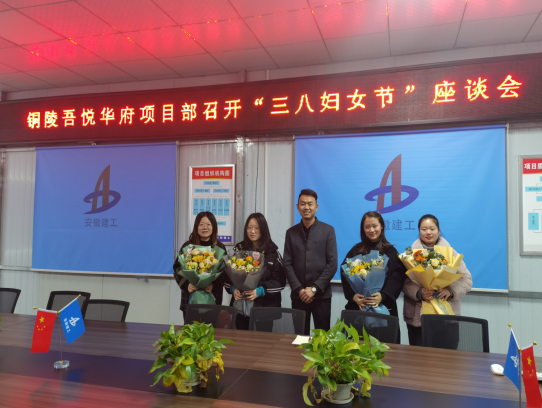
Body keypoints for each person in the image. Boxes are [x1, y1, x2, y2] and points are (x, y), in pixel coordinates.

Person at [402, 214, 473, 347]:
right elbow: (403, 282)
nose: (428, 232)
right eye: (424, 229)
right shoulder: (410, 255)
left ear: (439, 231)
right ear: (419, 231)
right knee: (419, 356)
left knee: (447, 356)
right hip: (418, 316)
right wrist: (418, 292)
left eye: (432, 229)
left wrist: (450, 291)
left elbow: (466, 279)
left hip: (446, 315)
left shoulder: (451, 253)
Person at [340, 211, 407, 343]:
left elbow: (397, 278)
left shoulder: (391, 251)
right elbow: (345, 273)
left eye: (375, 226)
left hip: (383, 309)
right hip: (359, 307)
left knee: (385, 349)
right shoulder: (355, 250)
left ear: (381, 226)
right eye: (367, 227)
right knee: (356, 348)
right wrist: (353, 296)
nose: (371, 230)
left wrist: (383, 295)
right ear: (363, 228)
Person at [283, 189, 338, 335]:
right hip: (298, 296)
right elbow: (287, 263)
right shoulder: (291, 232)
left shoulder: (328, 230)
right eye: (303, 204)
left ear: (316, 207)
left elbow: (332, 264)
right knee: (300, 337)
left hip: (321, 295)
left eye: (310, 204)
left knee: (323, 338)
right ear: (297, 207)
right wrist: (300, 290)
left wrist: (314, 289)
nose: (306, 207)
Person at [224, 213, 286, 330]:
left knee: (263, 340)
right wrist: (233, 289)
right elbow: (227, 277)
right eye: (249, 227)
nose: (252, 231)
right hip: (241, 308)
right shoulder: (239, 250)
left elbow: (280, 281)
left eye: (257, 228)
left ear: (263, 229)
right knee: (242, 340)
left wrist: (260, 291)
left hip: (265, 310)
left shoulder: (272, 252)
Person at [173, 212, 227, 320]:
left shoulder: (219, 247)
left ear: (213, 227)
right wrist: (187, 285)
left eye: (208, 224)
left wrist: (213, 285)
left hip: (212, 297)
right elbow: (177, 268)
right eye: (201, 224)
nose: (205, 227)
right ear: (196, 227)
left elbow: (224, 272)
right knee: (190, 329)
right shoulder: (188, 247)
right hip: (190, 297)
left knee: (210, 329)